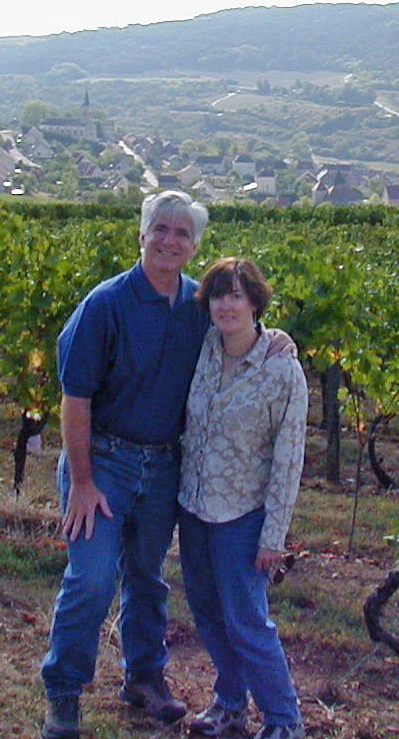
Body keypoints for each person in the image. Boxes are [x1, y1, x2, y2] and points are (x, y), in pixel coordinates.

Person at [40, 192, 293, 739]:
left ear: (195, 245)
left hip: (163, 469)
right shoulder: (104, 305)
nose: (170, 241)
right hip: (104, 462)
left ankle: (145, 679)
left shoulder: (199, 307)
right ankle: (63, 693)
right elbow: (75, 397)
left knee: (148, 579)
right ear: (142, 235)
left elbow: (241, 332)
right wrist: (81, 482)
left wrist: (277, 339)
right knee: (90, 579)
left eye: (182, 234)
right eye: (161, 229)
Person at [178, 257, 307, 739]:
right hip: (193, 507)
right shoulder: (203, 347)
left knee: (247, 621)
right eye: (218, 295)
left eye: (235, 295)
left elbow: (289, 459)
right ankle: (230, 705)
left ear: (255, 301)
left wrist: (274, 534)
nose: (225, 305)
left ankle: (284, 719)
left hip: (242, 515)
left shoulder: (281, 369)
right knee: (208, 613)